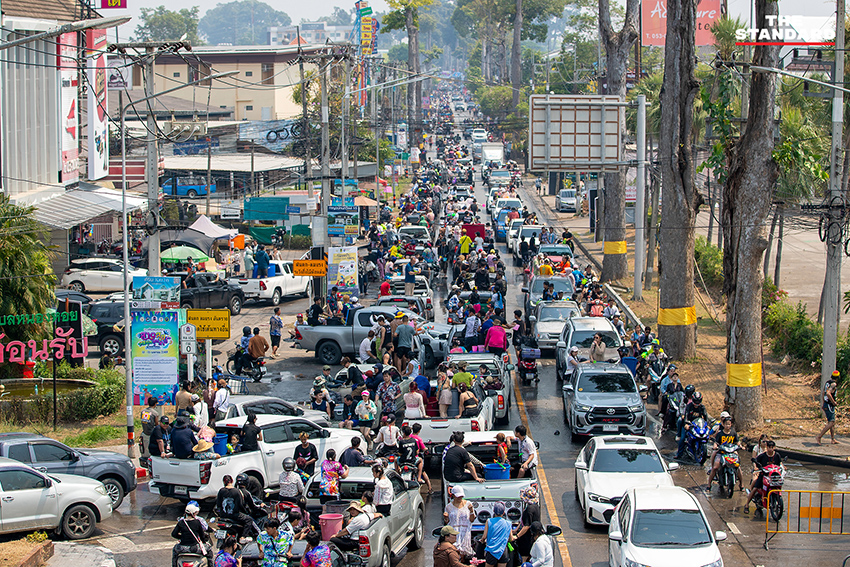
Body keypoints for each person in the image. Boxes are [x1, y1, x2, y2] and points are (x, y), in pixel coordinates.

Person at [743, 439, 783, 512]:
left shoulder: (777, 455)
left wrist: (783, 467)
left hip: (773, 476)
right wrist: (755, 468)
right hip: (763, 475)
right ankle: (746, 505)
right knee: (755, 488)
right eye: (769, 447)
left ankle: (779, 504)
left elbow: (780, 464)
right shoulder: (762, 456)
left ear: (774, 447)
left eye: (772, 447)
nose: (770, 449)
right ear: (766, 447)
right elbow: (755, 461)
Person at [706, 416, 744, 491]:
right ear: (723, 424)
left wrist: (740, 446)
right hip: (722, 452)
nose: (727, 426)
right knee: (715, 467)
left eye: (729, 424)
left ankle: (741, 485)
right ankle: (709, 484)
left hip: (732, 452)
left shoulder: (733, 432)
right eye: (726, 424)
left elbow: (737, 442)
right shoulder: (720, 434)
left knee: (738, 467)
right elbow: (716, 443)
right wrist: (715, 446)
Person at [171, 500, 213, 567]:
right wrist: (204, 543)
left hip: (182, 548)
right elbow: (202, 536)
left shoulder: (181, 522)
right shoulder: (197, 522)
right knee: (209, 550)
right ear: (194, 513)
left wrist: (181, 537)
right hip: (194, 548)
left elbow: (173, 534)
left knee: (175, 552)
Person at [215, 475, 257, 539]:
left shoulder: (221, 491)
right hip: (235, 515)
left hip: (223, 515)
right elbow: (240, 504)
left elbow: (218, 504)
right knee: (249, 520)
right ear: (232, 481)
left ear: (224, 482)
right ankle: (243, 537)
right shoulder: (237, 491)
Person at [443, 486, 475, 557]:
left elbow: (472, 520)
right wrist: (446, 518)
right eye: (458, 496)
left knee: (464, 554)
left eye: (461, 496)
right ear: (453, 495)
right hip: (454, 534)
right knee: (455, 554)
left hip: (465, 533)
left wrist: (471, 511)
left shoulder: (468, 504)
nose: (460, 498)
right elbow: (447, 522)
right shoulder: (448, 507)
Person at [481, 502, 514, 567]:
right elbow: (511, 538)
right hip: (503, 551)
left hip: (491, 550)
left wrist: (482, 540)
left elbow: (484, 536)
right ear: (503, 512)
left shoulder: (489, 521)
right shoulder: (508, 523)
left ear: (493, 511)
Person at [513, 486, 541, 558]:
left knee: (524, 557)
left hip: (527, 539)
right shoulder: (535, 506)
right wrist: (515, 530)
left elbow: (526, 526)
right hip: (530, 536)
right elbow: (523, 522)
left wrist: (517, 536)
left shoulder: (529, 509)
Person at [816, 371, 839, 445]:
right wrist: (833, 402)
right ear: (838, 377)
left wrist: (823, 403)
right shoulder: (833, 384)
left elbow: (823, 393)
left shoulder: (827, 383)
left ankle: (833, 439)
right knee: (831, 422)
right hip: (829, 405)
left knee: (831, 422)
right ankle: (819, 436)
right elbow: (828, 393)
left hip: (826, 404)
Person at [140, 396, 160, 461]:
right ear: (155, 404)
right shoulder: (155, 413)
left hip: (144, 432)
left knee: (144, 449)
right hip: (151, 434)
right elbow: (157, 424)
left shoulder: (143, 411)